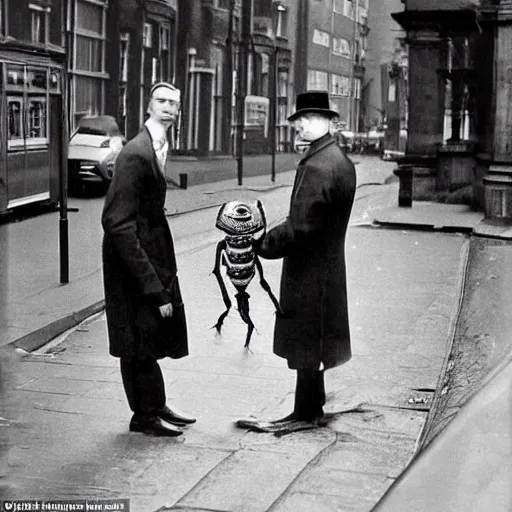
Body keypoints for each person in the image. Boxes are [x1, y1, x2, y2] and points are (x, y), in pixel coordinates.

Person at [254, 90, 357, 428]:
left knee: (305, 340)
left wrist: (262, 245)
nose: (299, 125)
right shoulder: (339, 160)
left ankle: (304, 413)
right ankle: (313, 404)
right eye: (298, 119)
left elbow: (299, 228)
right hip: (329, 269)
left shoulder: (316, 166)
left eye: (308, 118)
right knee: (317, 340)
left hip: (308, 271)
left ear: (329, 121)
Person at [102, 82, 195, 437]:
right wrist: (152, 284)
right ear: (148, 106)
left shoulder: (157, 146)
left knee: (148, 335)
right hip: (132, 260)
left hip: (147, 254)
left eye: (175, 102)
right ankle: (144, 415)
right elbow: (116, 221)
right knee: (139, 336)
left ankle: (154, 405)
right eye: (162, 101)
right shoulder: (136, 153)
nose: (169, 107)